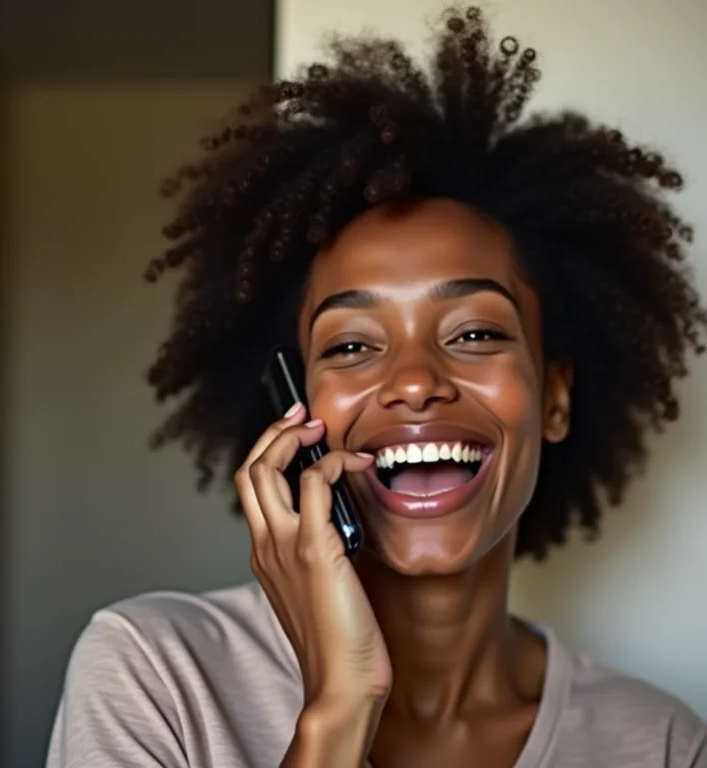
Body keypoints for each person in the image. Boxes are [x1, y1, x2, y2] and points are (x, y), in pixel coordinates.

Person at [45, 5, 707, 767]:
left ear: (554, 397)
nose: (416, 382)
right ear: (293, 406)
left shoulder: (658, 743)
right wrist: (339, 709)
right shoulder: (155, 674)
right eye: (353, 345)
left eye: (474, 333)